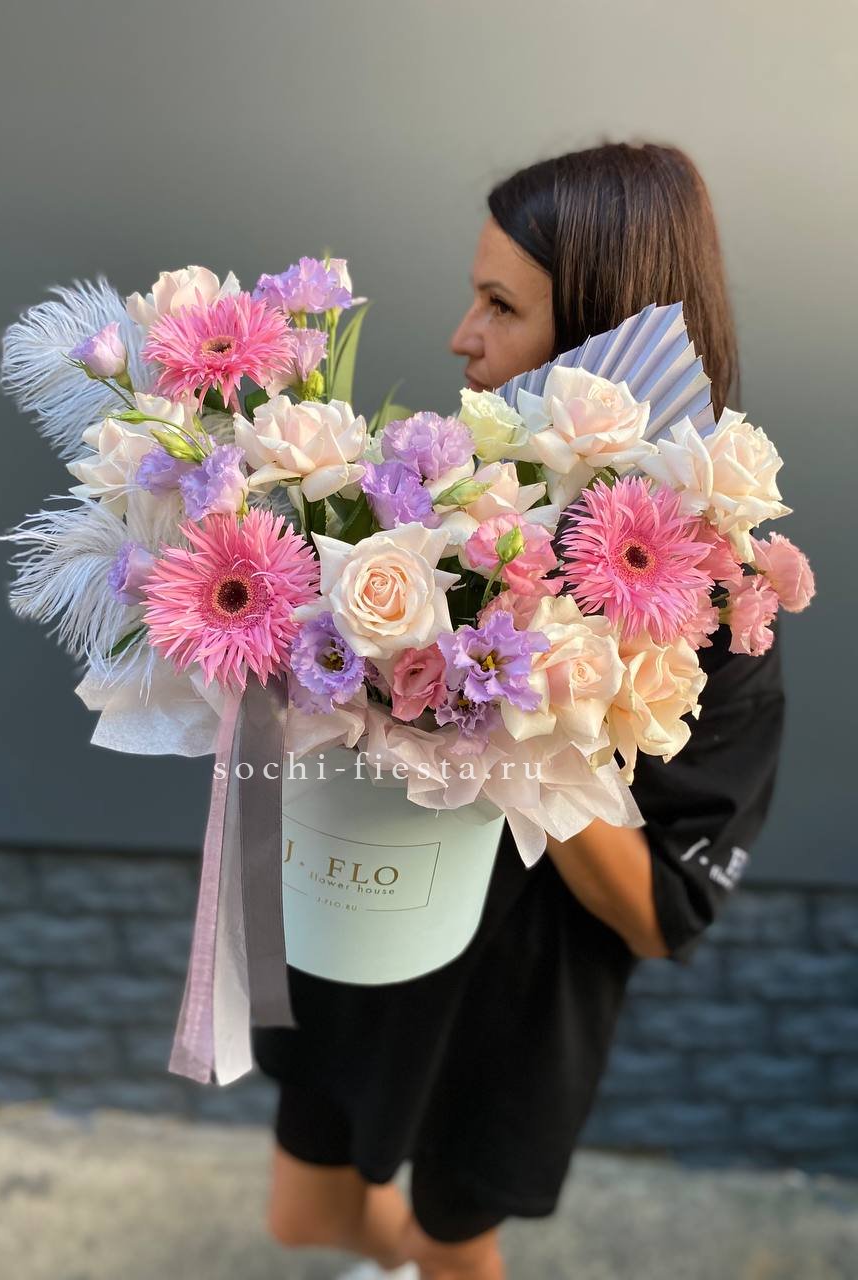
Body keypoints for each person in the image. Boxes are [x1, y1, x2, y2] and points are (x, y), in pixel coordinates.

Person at [252, 141, 788, 1280]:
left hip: (515, 1013)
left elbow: (663, 916)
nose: (463, 335)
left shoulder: (716, 607)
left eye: (501, 304)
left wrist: (528, 734)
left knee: (453, 1252)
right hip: (368, 940)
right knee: (304, 1214)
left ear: (599, 341)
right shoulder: (442, 508)